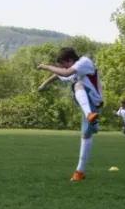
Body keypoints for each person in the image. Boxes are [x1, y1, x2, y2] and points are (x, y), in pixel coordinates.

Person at [35, 47, 103, 182]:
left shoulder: (84, 62)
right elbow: (59, 74)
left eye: (63, 64)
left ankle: (90, 116)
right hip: (90, 105)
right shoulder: (75, 67)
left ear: (70, 60)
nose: (63, 67)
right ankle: (79, 172)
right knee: (86, 135)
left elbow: (65, 73)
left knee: (77, 85)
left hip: (93, 101)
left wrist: (45, 66)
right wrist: (44, 84)